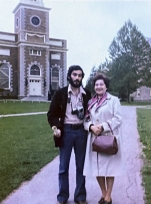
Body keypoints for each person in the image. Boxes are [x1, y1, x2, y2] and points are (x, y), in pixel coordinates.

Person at [47, 65, 91, 204]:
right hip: (66, 131)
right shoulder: (60, 93)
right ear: (69, 76)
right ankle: (63, 197)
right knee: (63, 167)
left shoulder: (87, 94)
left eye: (79, 75)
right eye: (74, 75)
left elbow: (92, 113)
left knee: (81, 166)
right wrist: (56, 127)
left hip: (82, 132)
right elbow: (51, 114)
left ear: (82, 77)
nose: (77, 78)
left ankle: (80, 197)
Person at [83, 73, 123, 204]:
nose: (99, 87)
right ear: (94, 87)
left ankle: (108, 196)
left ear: (106, 86)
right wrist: (91, 126)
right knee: (97, 168)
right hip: (95, 139)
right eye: (96, 84)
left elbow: (118, 119)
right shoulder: (90, 102)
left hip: (109, 138)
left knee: (110, 168)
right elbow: (85, 119)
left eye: (101, 84)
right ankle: (104, 194)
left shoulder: (114, 100)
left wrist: (103, 126)